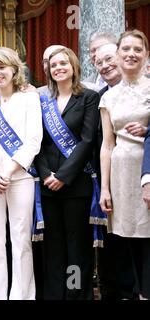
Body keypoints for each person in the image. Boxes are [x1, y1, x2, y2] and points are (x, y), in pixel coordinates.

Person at [0, 47, 42, 299]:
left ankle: (22, 296)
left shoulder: (30, 98)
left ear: (14, 69)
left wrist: (9, 171)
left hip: (20, 178)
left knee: (21, 241)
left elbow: (34, 140)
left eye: (2, 67)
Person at [34, 47, 100, 300]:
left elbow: (86, 141)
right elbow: (36, 141)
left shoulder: (88, 98)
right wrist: (46, 174)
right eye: (54, 65)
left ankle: (74, 294)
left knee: (76, 247)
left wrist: (62, 175)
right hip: (47, 183)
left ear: (73, 66)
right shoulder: (42, 100)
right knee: (53, 247)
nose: (58, 68)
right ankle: (54, 294)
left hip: (75, 184)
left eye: (63, 63)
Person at [99, 29, 150, 300]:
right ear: (117, 56)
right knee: (127, 236)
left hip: (147, 170)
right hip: (120, 173)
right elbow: (107, 145)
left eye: (137, 49)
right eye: (126, 49)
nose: (131, 54)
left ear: (146, 55)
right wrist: (105, 188)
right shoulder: (108, 97)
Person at [94, 43, 137, 300]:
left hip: (140, 175)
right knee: (113, 240)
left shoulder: (144, 90)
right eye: (99, 63)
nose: (105, 65)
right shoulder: (100, 96)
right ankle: (113, 291)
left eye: (108, 58)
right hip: (108, 179)